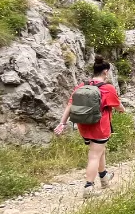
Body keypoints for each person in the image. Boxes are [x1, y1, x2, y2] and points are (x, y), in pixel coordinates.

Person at [54, 56, 125, 198]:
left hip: (84, 126)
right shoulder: (107, 88)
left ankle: (104, 177)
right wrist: (123, 110)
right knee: (94, 155)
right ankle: (88, 187)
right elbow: (118, 106)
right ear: (105, 72)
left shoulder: (81, 86)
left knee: (99, 151)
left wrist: (62, 123)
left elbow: (70, 105)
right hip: (99, 127)